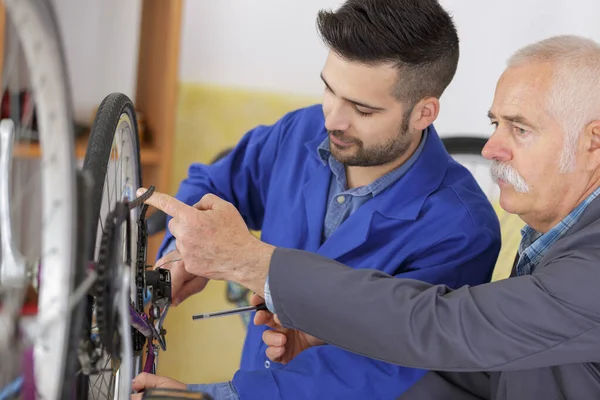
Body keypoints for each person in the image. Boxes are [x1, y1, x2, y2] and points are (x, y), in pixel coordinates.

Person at [139, 34, 600, 399]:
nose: (490, 148)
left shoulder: (472, 229)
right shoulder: (302, 129)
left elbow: (434, 330)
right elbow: (485, 372)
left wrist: (251, 264)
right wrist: (184, 249)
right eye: (494, 123)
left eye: (519, 129)